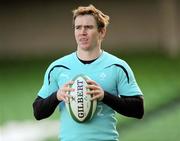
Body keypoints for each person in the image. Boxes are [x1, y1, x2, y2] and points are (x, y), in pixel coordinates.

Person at [33, 4, 144, 141]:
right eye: (78, 27)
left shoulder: (117, 66)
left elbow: (138, 109)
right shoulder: (58, 67)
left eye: (88, 27)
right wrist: (57, 96)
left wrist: (104, 96)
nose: (82, 32)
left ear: (101, 32)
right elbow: (38, 112)